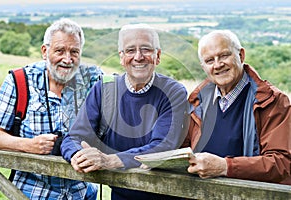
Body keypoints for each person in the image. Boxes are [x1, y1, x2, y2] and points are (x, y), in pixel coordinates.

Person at [61, 23, 190, 199]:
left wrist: (109, 161)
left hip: (163, 194)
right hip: (120, 195)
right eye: (130, 50)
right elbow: (74, 136)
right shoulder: (104, 89)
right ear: (122, 57)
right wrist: (77, 155)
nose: (138, 57)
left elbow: (163, 147)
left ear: (157, 56)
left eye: (146, 49)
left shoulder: (173, 91)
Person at [0, 18, 102, 199]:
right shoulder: (20, 81)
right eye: (60, 51)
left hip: (81, 193)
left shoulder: (93, 79)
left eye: (74, 52)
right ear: (45, 51)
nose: (67, 59)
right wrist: (28, 145)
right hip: (31, 194)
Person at [182, 30, 291, 185]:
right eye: (209, 60)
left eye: (224, 55)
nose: (218, 65)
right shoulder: (197, 101)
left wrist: (225, 167)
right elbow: (183, 148)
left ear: (241, 55)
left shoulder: (273, 101)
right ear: (203, 67)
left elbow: (282, 164)